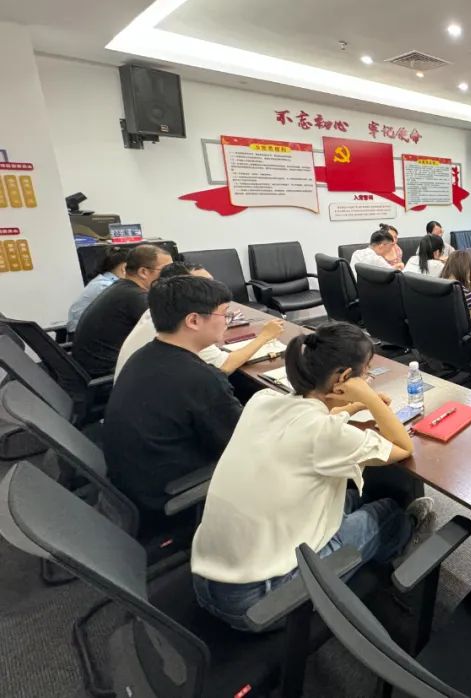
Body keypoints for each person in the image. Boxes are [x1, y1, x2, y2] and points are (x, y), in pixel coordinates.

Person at [190, 322, 434, 632]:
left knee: (349, 496)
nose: (367, 379)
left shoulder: (263, 401)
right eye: (366, 374)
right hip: (260, 603)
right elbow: (402, 447)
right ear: (344, 379)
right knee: (384, 512)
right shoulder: (325, 433)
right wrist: (371, 399)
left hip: (208, 580)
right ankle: (401, 543)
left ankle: (377, 546)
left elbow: (311, 420)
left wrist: (352, 405)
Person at [103, 274, 243, 533]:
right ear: (193, 320)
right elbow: (241, 444)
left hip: (132, 486)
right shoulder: (199, 379)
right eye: (225, 314)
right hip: (169, 500)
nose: (228, 321)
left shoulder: (145, 355)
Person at [114, 262, 284, 378]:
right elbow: (224, 366)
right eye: (203, 285)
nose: (212, 289)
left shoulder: (161, 310)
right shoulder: (182, 333)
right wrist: (264, 336)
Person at [72, 244, 173, 376]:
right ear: (143, 272)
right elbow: (170, 332)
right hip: (108, 374)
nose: (172, 275)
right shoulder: (135, 297)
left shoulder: (121, 288)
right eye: (166, 270)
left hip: (91, 368)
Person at [67, 246, 131, 333]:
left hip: (88, 331)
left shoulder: (104, 280)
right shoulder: (105, 286)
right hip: (83, 334)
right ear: (124, 268)